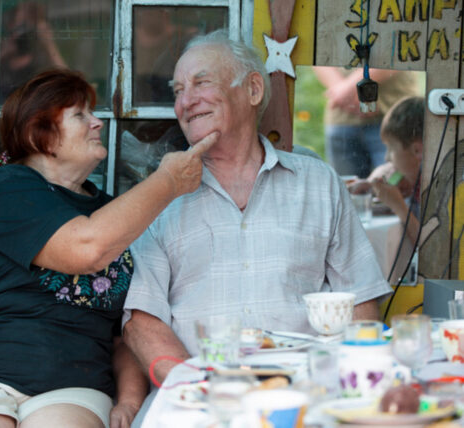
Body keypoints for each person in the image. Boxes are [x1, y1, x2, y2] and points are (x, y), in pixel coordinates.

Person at [0, 69, 217, 428]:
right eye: (80, 115)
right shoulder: (8, 187)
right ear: (41, 133)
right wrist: (168, 182)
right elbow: (84, 248)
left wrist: (129, 401)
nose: (97, 123)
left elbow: (124, 330)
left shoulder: (116, 215)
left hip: (72, 386)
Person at [122, 30, 392, 391]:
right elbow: (142, 321)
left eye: (201, 83)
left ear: (253, 90)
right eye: (177, 91)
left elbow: (359, 300)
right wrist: (200, 390)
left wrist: (350, 388)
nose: (186, 101)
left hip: (305, 390)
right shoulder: (159, 195)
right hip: (198, 395)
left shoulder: (317, 182)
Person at [314, 66, 420, 178]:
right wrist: (344, 93)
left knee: (395, 184)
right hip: (341, 120)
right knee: (346, 189)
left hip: (394, 117)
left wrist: (346, 91)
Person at [351, 96, 424, 245]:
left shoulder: (444, 189)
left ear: (417, 150)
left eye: (391, 148)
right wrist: (371, 186)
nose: (387, 158)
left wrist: (399, 206)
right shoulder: (415, 181)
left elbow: (430, 250)